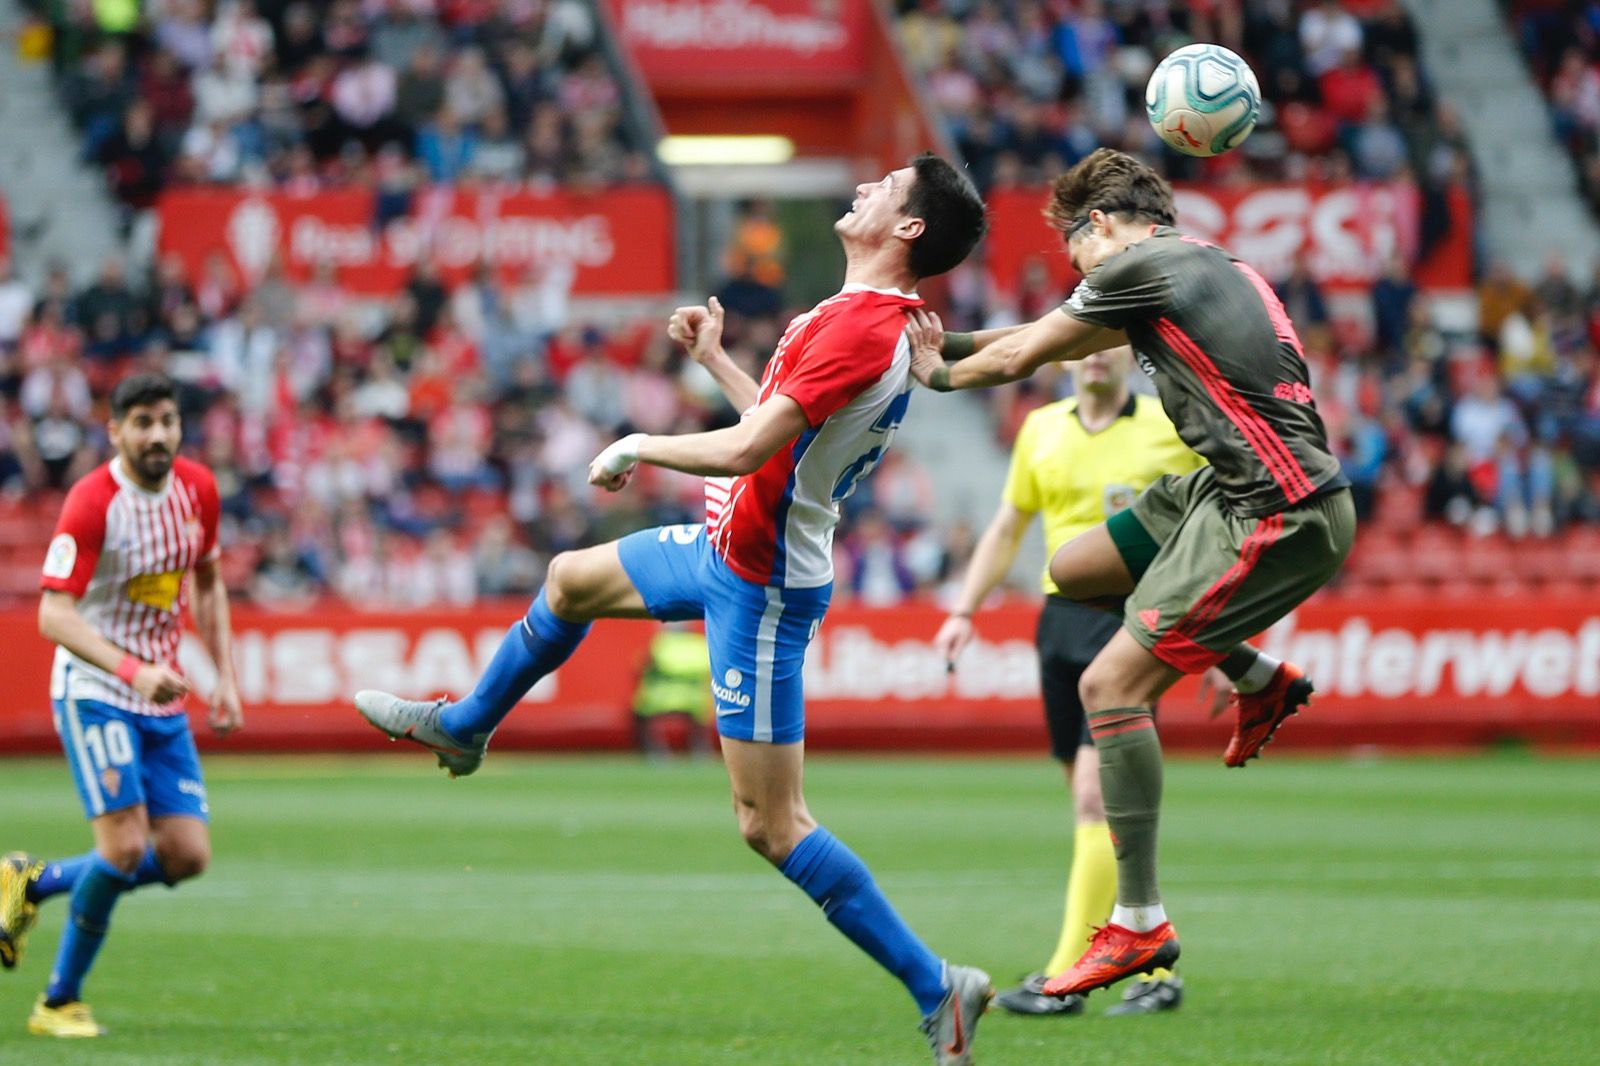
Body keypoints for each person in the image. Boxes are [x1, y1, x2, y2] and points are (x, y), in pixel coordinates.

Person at [354, 154, 995, 1065]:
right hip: (729, 546)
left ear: (909, 230)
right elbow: (781, 432)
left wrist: (639, 445)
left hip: (763, 580)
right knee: (570, 580)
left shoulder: (860, 327)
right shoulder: (854, 316)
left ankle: (940, 988)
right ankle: (464, 728)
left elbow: (747, 454)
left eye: (885, 188)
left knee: (771, 824)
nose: (863, 188)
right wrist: (719, 362)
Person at [909, 147, 1354, 1000]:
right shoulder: (1195, 267)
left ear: (1102, 227)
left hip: (1278, 509)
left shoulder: (1144, 268)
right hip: (1226, 489)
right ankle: (1258, 675)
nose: (1076, 274)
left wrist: (936, 369)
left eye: (1075, 254)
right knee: (1073, 569)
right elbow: (1044, 336)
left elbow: (1019, 359)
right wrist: (952, 337)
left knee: (1110, 688)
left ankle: (1139, 923)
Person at [936, 344, 1226, 1018]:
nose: (1096, 356)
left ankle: (1067, 974)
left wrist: (1213, 635)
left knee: (1097, 802)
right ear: (1065, 359)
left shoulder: (1168, 428)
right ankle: (1154, 966)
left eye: (1110, 344)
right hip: (1059, 624)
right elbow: (1010, 524)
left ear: (1131, 356)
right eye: (1083, 346)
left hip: (1132, 620)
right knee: (1104, 812)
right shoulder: (1041, 428)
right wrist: (962, 609)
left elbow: (1213, 529)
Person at [0, 373, 243, 1038]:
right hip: (97, 690)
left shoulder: (198, 489)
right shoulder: (92, 502)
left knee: (187, 854)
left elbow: (209, 582)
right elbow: (53, 615)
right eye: (142, 422)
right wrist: (132, 669)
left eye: (166, 419)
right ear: (115, 431)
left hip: (157, 696)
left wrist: (224, 675)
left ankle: (31, 880)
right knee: (127, 848)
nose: (158, 433)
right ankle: (58, 1002)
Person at [631, 625, 714, 759]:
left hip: (661, 701)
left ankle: (655, 753)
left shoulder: (661, 644)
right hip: (694, 702)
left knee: (638, 715)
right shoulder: (700, 645)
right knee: (698, 723)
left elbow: (641, 667)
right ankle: (700, 750)